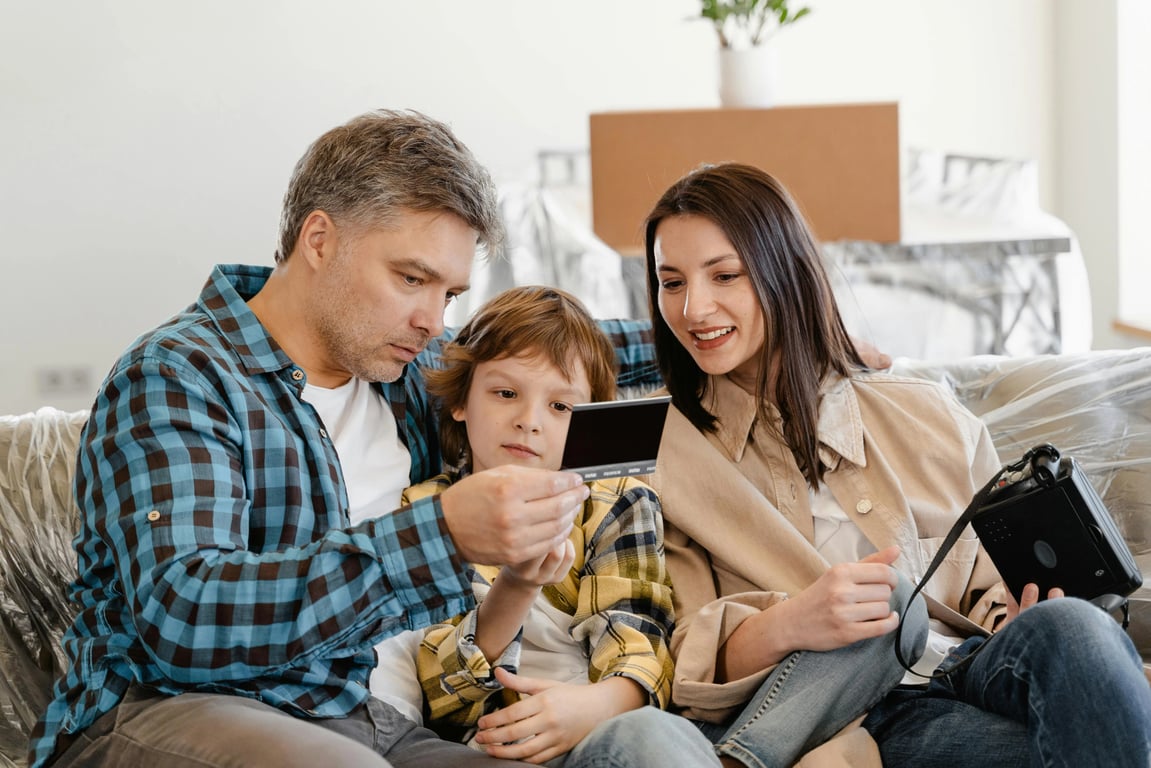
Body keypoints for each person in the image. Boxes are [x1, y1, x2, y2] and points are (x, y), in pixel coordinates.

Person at [27, 110, 655, 768]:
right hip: (171, 707)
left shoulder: (404, 372)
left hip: (363, 719)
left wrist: (721, 324)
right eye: (410, 279)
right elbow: (185, 617)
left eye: (449, 293)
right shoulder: (179, 377)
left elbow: (561, 353)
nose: (430, 319)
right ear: (319, 240)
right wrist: (439, 536)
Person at [606, 161, 1151, 767]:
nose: (693, 309)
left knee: (1075, 629)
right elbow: (681, 660)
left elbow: (989, 585)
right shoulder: (656, 450)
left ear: (784, 273)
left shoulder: (922, 413)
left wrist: (1013, 611)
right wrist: (793, 621)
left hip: (973, 668)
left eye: (725, 275)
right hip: (862, 717)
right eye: (671, 282)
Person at [401, 285, 719, 767]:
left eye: (560, 407)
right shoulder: (425, 511)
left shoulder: (615, 502)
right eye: (505, 393)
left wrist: (593, 708)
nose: (529, 422)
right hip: (488, 746)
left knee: (653, 734)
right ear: (461, 401)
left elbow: (641, 645)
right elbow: (440, 694)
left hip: (604, 731)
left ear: (589, 420)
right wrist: (518, 583)